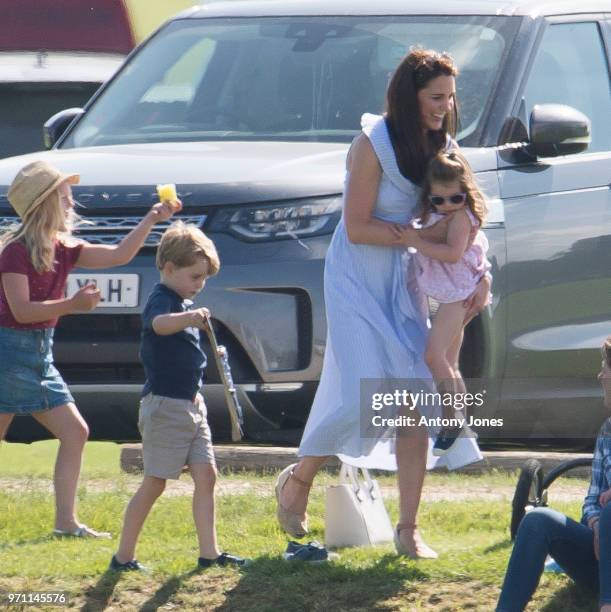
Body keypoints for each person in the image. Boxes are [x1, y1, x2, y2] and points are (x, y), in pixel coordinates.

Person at [274, 48, 490, 559]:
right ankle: (298, 480)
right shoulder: (371, 145)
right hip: (356, 281)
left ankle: (408, 529)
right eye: (436, 97)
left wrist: (480, 275)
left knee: (414, 399)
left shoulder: (444, 146)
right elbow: (357, 226)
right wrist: (416, 238)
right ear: (409, 94)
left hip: (405, 285)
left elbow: (467, 213)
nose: (445, 107)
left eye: (450, 98)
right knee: (361, 396)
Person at [0, 160, 179, 538]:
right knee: (71, 432)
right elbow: (21, 310)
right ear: (44, 202)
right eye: (64, 195)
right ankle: (65, 523)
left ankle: (66, 524)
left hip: (38, 354)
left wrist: (152, 218)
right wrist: (72, 304)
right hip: (10, 352)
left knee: (75, 432)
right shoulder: (15, 252)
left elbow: (118, 256)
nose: (71, 202)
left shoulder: (64, 248)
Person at [110, 221, 249, 571]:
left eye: (203, 279)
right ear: (169, 268)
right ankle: (123, 556)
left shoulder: (180, 302)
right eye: (195, 277)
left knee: (207, 476)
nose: (199, 286)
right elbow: (158, 325)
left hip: (191, 405)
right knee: (155, 482)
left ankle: (209, 553)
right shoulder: (162, 301)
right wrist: (188, 317)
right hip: (164, 407)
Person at [496, 336, 611, 612]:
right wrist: (596, 526)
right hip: (602, 558)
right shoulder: (607, 431)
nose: (600, 374)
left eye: (606, 366)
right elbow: (592, 499)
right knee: (538, 519)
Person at [393, 151, 490, 456]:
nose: (447, 206)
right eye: (439, 200)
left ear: (466, 193)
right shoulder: (441, 216)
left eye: (455, 198)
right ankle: (461, 423)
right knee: (450, 362)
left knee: (434, 356)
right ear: (430, 197)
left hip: (458, 294)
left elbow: (452, 254)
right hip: (447, 292)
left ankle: (452, 421)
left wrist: (416, 241)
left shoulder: (461, 219)